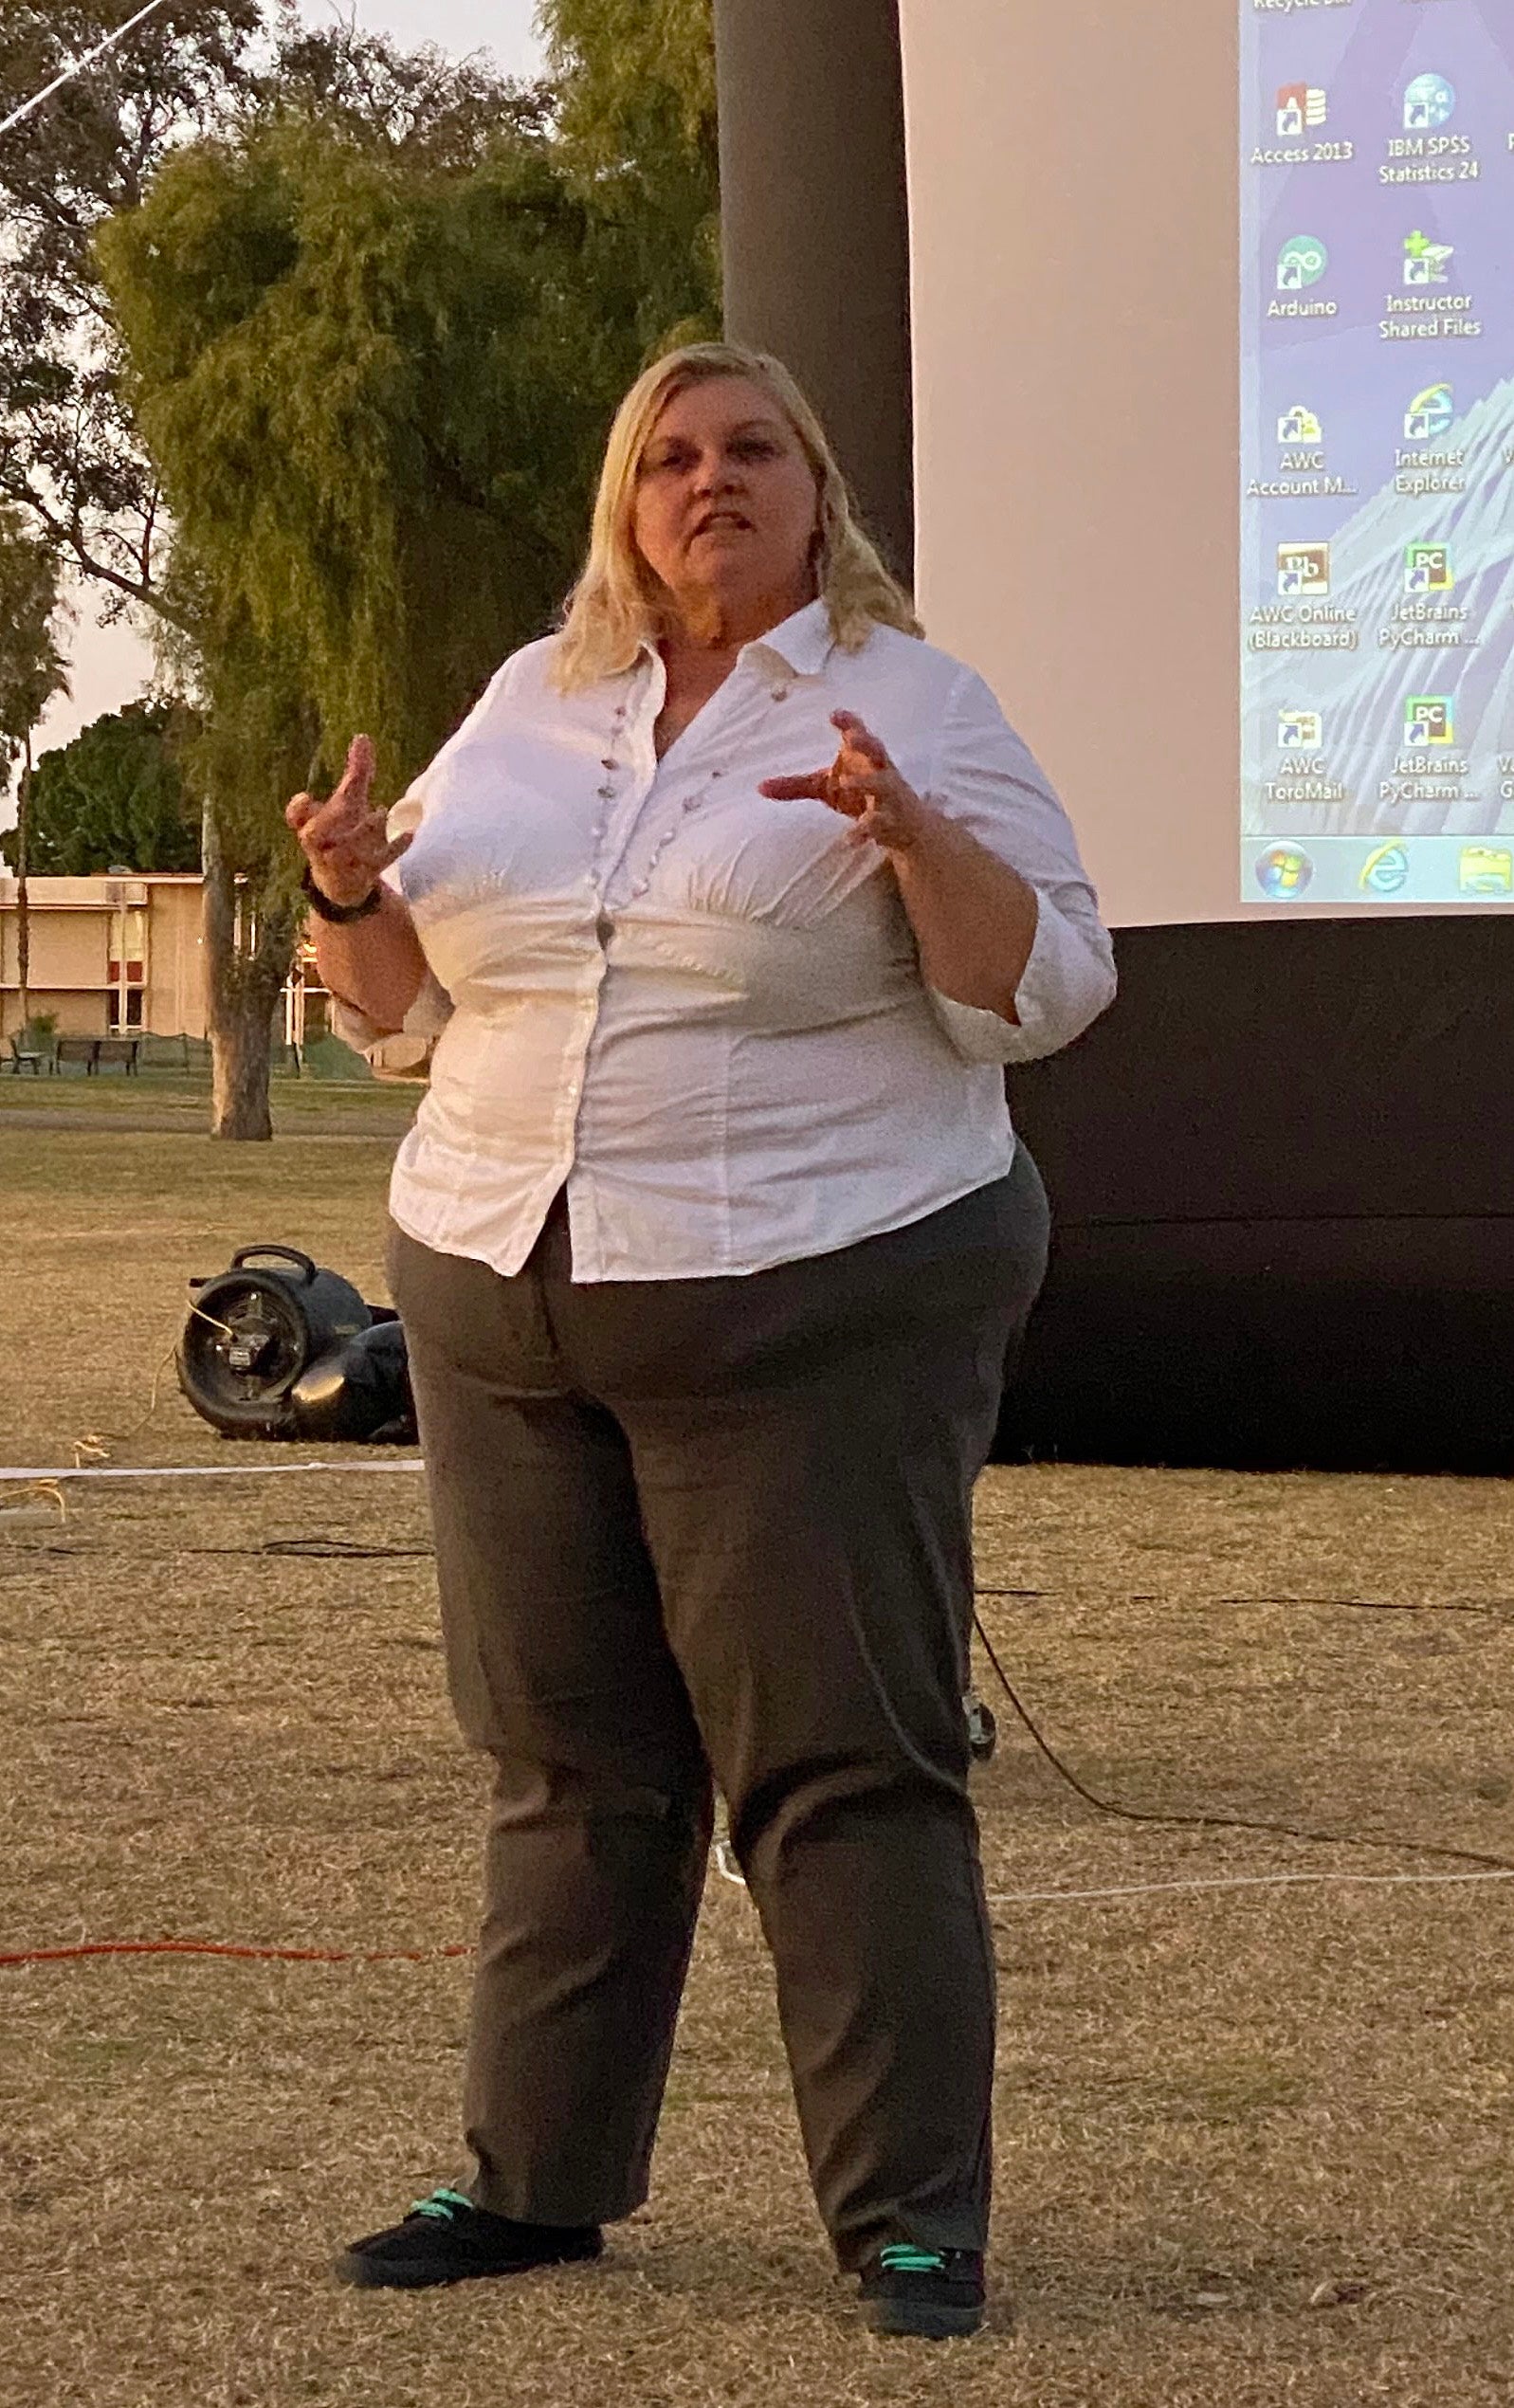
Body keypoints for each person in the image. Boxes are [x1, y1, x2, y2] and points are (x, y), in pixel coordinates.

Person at [286, 340, 1115, 2342]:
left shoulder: (910, 700)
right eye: (665, 455)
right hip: (500, 1284)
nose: (704, 481)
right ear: (623, 502)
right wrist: (341, 897)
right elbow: (409, 1012)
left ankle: (912, 2220)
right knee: (565, 1754)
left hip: (811, 1292)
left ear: (817, 495)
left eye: (749, 450)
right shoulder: (525, 701)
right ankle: (534, 2177)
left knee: (839, 1764)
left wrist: (913, 834)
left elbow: (1053, 982)